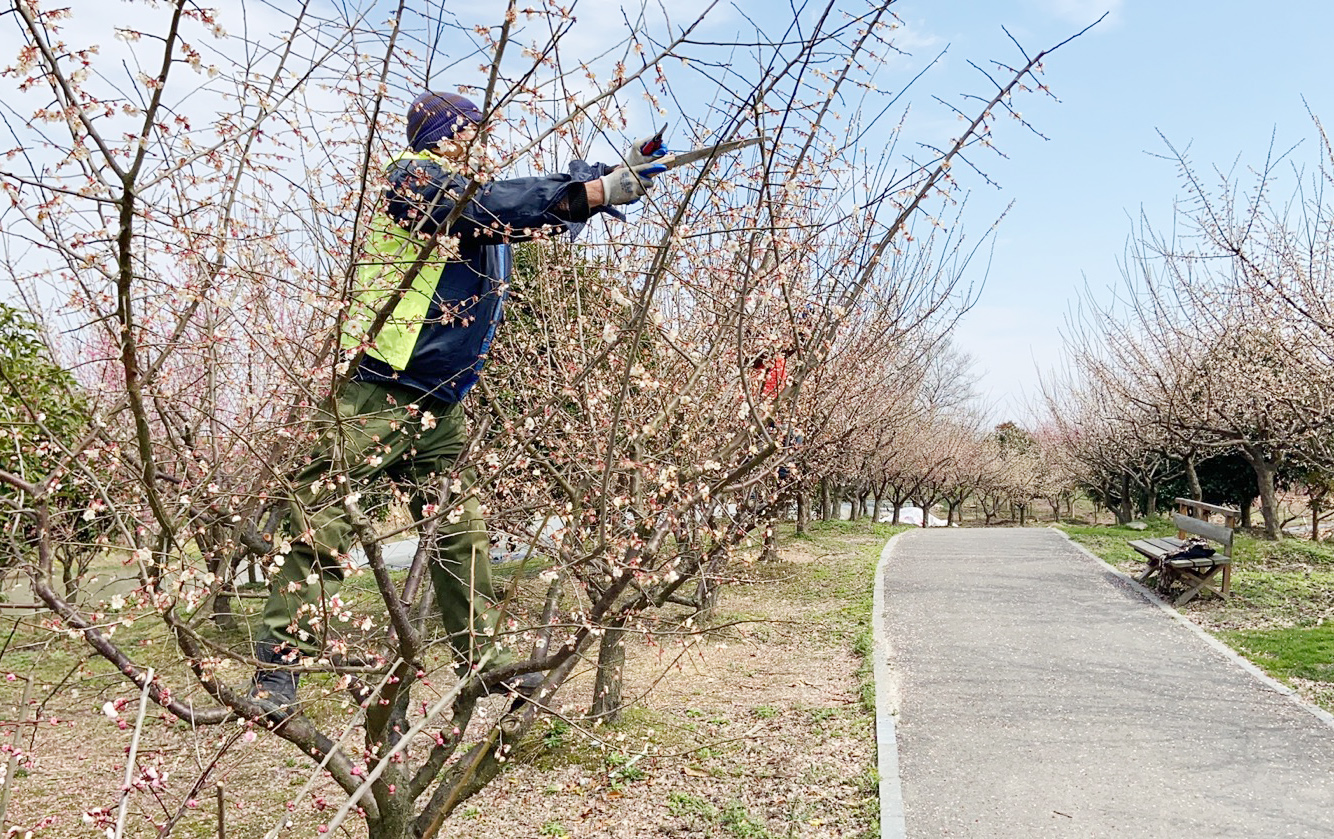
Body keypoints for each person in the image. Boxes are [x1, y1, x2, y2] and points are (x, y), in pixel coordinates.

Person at [249, 91, 666, 717]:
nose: (480, 141)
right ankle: (276, 672)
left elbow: (520, 207)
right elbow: (486, 207)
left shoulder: (480, 201)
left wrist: (604, 176)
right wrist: (594, 194)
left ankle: (484, 661)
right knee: (319, 528)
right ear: (443, 134)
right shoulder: (414, 178)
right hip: (378, 387)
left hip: (441, 404)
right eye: (470, 131)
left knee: (460, 534)